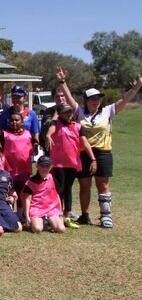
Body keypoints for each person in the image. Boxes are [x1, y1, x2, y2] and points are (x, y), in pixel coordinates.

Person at [56, 67, 142, 228]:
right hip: (83, 153)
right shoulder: (79, 113)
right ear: (86, 100)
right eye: (92, 98)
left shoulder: (108, 111)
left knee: (103, 184)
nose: (96, 101)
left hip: (103, 152)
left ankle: (106, 216)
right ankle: (85, 215)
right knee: (84, 185)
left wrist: (137, 87)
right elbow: (68, 96)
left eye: (98, 98)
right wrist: (62, 81)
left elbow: (124, 100)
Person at [44, 103, 95, 229]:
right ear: (60, 114)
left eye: (70, 112)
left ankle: (67, 216)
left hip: (72, 163)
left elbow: (84, 142)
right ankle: (57, 215)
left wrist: (93, 158)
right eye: (66, 112)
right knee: (59, 189)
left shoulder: (78, 126)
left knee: (68, 189)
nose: (69, 114)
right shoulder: (56, 123)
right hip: (58, 163)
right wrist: (48, 136)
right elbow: (51, 130)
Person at [20, 156, 66, 234]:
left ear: (51, 167)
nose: (45, 168)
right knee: (37, 229)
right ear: (37, 166)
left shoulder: (53, 179)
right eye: (42, 166)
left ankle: (48, 222)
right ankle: (39, 222)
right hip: (36, 209)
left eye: (47, 166)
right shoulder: (31, 181)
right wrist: (27, 215)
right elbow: (27, 199)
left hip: (51, 209)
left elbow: (57, 196)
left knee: (61, 229)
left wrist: (60, 213)